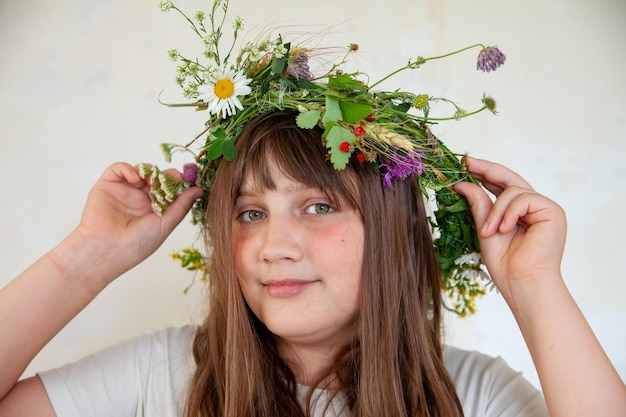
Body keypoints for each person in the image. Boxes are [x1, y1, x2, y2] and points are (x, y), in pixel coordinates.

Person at [0, 110, 624, 417]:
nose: (275, 246)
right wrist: (86, 261)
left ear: (393, 234)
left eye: (319, 206)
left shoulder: (476, 396)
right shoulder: (159, 376)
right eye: (249, 213)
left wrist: (534, 285)